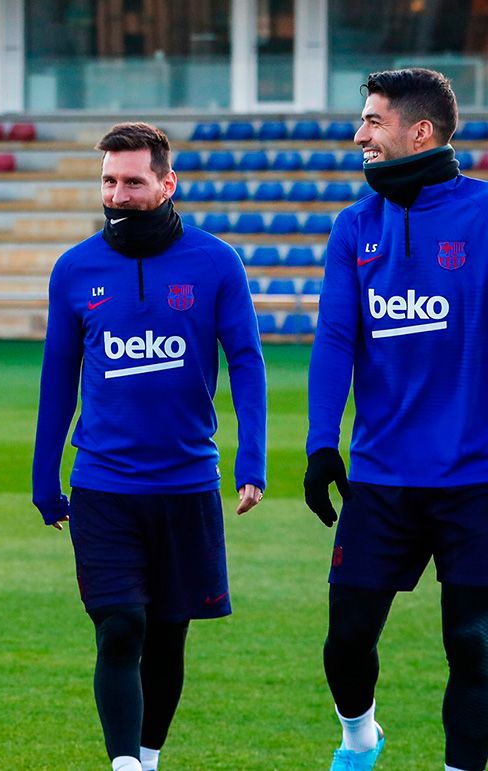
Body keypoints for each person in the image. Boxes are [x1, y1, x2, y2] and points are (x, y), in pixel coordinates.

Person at [31, 122, 266, 771]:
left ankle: (149, 757)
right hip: (104, 487)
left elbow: (246, 361)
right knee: (121, 626)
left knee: (166, 637)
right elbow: (57, 378)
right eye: (109, 179)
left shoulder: (216, 262)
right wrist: (44, 472)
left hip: (187, 486)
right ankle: (124, 764)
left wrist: (252, 460)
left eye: (132, 181)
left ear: (167, 183)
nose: (117, 193)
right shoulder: (75, 269)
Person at [305, 68, 488, 771]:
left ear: (419, 132)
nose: (359, 134)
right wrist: (323, 445)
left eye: (373, 121)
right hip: (380, 479)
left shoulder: (481, 216)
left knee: (473, 641)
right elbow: (335, 341)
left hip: (474, 479)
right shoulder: (355, 226)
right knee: (346, 637)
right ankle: (359, 739)